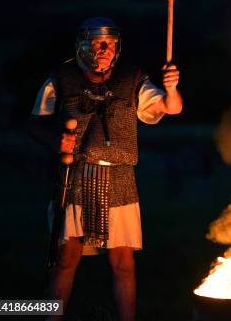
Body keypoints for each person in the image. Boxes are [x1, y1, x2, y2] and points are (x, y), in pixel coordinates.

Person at [27, 17, 183, 321]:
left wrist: (172, 88)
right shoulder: (62, 77)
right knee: (65, 258)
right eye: (97, 43)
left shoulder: (132, 78)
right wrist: (56, 141)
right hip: (76, 177)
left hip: (119, 177)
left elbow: (170, 107)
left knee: (123, 263)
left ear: (117, 47)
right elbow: (34, 123)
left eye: (109, 43)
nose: (104, 48)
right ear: (82, 46)